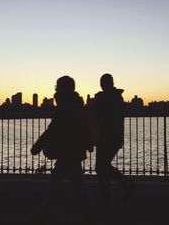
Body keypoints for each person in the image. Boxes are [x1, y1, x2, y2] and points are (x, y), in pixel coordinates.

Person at [31, 76, 91, 223]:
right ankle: (87, 213)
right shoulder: (75, 104)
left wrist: (38, 146)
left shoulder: (65, 106)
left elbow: (53, 128)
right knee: (74, 183)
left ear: (63, 88)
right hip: (73, 149)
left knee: (57, 183)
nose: (56, 88)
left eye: (58, 86)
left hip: (68, 150)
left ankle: (46, 213)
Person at [94, 73, 136, 207]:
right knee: (102, 166)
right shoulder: (117, 98)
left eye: (103, 83)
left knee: (101, 166)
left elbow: (99, 116)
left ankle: (117, 189)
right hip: (114, 137)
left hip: (106, 137)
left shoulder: (106, 98)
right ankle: (116, 189)